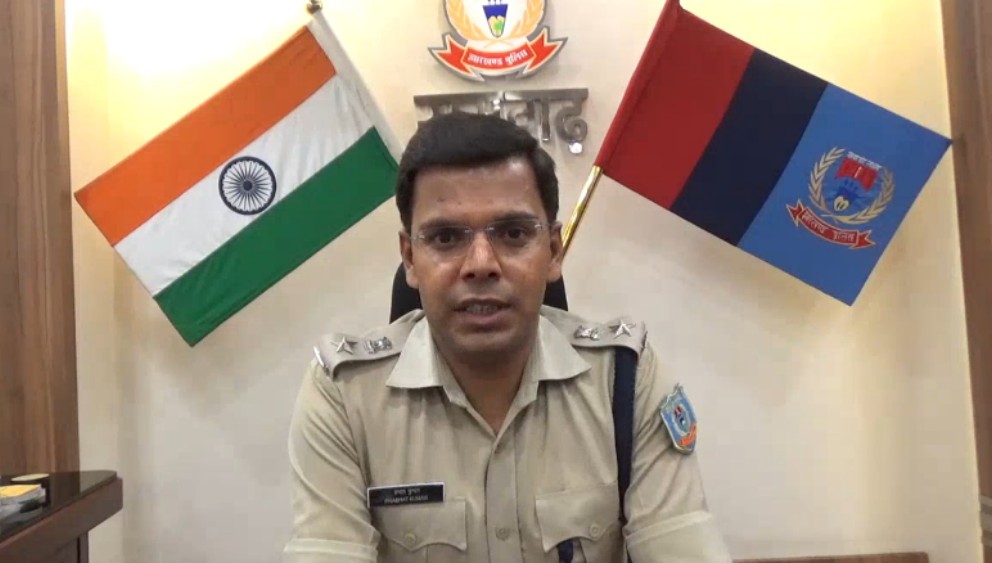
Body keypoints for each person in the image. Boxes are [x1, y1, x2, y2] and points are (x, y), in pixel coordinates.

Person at [283, 112, 731, 562]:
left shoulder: (625, 380)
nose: (481, 264)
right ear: (410, 258)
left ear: (553, 251)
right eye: (446, 237)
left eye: (513, 233)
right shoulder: (345, 395)